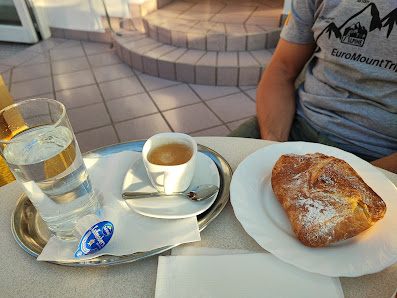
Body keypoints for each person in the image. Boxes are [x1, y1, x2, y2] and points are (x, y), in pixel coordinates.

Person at [230, 0, 397, 173]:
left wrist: (357, 178)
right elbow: (282, 69)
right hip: (295, 126)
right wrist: (274, 149)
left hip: (378, 156)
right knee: (208, 173)